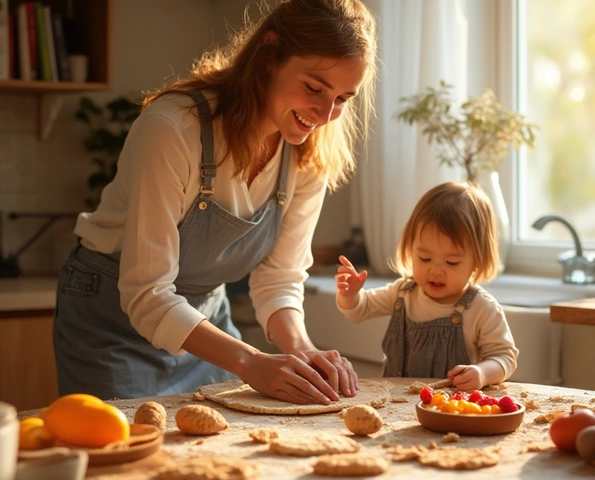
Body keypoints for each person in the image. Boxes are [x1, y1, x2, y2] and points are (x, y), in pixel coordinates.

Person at [53, 0, 378, 404]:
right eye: (314, 88)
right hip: (110, 320)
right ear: (268, 57)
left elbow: (278, 278)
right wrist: (250, 361)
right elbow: (146, 293)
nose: (326, 113)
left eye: (344, 98)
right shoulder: (174, 129)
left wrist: (302, 348)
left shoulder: (308, 154)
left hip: (205, 322)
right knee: (129, 459)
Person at [335, 182, 518, 391]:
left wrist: (483, 373)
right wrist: (350, 296)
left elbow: (504, 357)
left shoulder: (482, 309)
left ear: (477, 262)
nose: (436, 270)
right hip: (397, 403)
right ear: (410, 249)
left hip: (451, 411)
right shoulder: (404, 292)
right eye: (425, 258)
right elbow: (359, 310)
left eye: (451, 262)